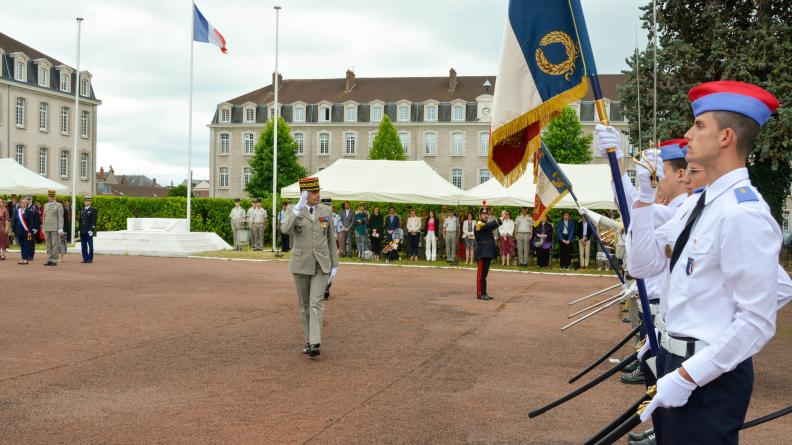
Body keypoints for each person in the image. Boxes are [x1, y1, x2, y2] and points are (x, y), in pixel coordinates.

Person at [626, 81, 783, 444]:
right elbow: (642, 265)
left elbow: (757, 322)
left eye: (699, 126)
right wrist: (644, 198)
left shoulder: (743, 213)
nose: (687, 134)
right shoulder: (703, 204)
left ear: (726, 137)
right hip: (675, 361)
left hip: (708, 376)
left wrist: (687, 377)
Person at [281, 177, 339, 358]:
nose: (318, 195)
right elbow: (284, 229)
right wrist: (297, 209)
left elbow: (331, 238)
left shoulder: (326, 211)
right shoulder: (294, 211)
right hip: (301, 264)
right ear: (304, 194)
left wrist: (335, 265)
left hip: (321, 264)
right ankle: (308, 339)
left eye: (318, 191)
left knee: (316, 302)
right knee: (304, 305)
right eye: (314, 192)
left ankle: (315, 342)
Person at [474, 207, 502, 300]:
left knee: (484, 275)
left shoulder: (486, 224)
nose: (486, 215)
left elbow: (490, 226)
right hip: (482, 253)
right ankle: (480, 293)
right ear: (480, 215)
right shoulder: (478, 224)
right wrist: (499, 220)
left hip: (488, 253)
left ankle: (484, 292)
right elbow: (489, 226)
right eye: (484, 214)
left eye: (487, 214)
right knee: (481, 275)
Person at [42, 190, 65, 266]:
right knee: (48, 244)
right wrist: (43, 227)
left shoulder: (59, 205)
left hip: (55, 228)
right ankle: (49, 259)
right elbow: (44, 217)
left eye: (52, 196)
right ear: (48, 197)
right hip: (47, 228)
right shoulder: (45, 205)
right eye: (50, 196)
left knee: (54, 244)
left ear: (55, 197)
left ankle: (54, 260)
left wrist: (60, 228)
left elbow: (60, 217)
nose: (51, 198)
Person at [12, 196, 38, 265]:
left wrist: (30, 231)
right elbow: (14, 221)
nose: (24, 204)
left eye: (25, 203)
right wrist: (13, 231)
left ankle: (25, 259)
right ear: (20, 203)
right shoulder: (17, 211)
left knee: (26, 245)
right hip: (19, 231)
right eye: (22, 202)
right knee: (22, 245)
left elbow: (31, 223)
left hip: (27, 232)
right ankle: (23, 258)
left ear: (27, 204)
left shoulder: (29, 211)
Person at [79, 196, 98, 264]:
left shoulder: (93, 210)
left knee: (90, 246)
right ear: (84, 202)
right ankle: (85, 258)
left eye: (88, 201)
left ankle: (90, 259)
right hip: (82, 231)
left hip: (89, 231)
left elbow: (94, 220)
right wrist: (79, 229)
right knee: (83, 246)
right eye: (85, 201)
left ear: (90, 202)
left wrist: (92, 229)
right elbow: (80, 220)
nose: (86, 202)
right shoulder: (82, 209)